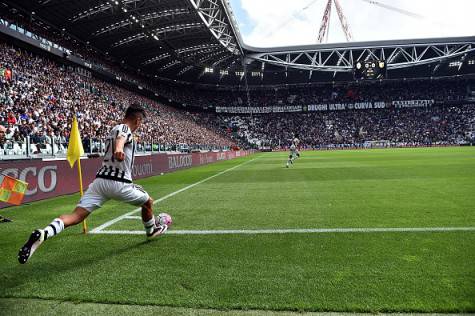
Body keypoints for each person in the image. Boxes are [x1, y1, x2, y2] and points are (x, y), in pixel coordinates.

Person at [18, 104, 168, 264]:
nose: (140, 126)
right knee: (148, 202)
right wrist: (119, 149)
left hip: (100, 182)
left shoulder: (113, 129)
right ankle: (151, 230)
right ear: (138, 120)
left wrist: (118, 147)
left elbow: (118, 138)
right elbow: (121, 139)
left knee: (75, 216)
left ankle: (43, 233)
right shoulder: (125, 128)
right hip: (119, 183)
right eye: (141, 122)